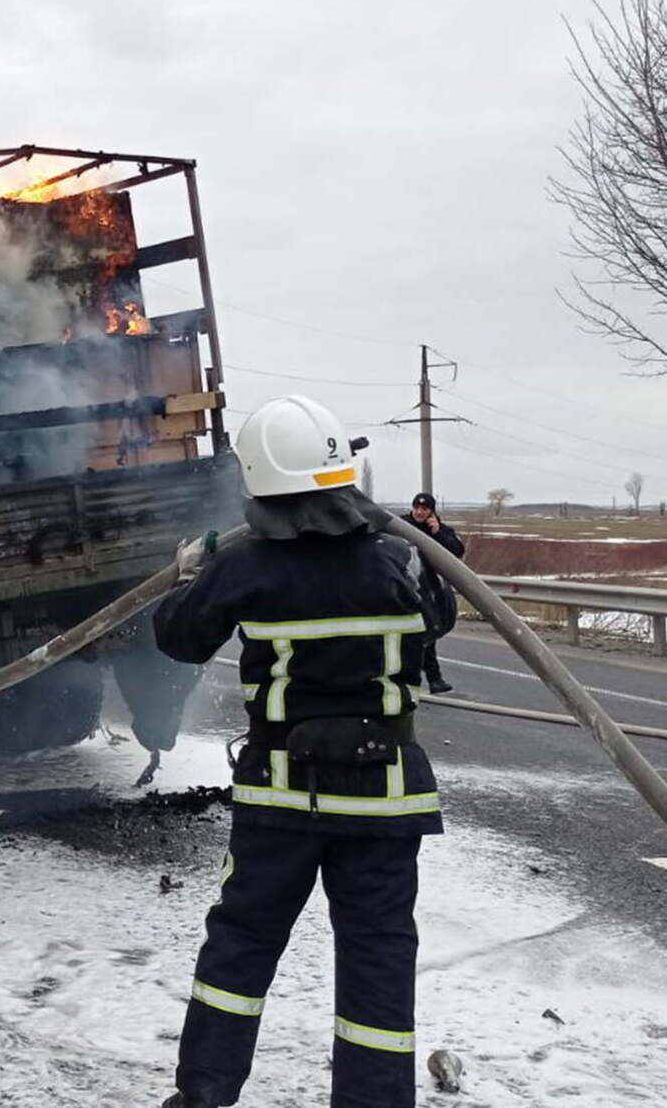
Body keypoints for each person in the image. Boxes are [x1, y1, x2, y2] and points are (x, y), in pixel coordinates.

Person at [152, 396, 443, 1108]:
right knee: (377, 959)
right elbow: (438, 621)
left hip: (280, 798)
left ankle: (204, 1096)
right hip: (386, 798)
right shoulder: (400, 555)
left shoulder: (244, 565)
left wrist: (189, 577)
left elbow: (179, 639)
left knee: (241, 947)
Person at [401, 492, 466, 694]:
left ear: (431, 511)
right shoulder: (400, 526)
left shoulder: (438, 529)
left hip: (428, 590)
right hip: (403, 587)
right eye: (417, 508)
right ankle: (429, 678)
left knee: (427, 633)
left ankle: (432, 679)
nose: (420, 512)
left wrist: (438, 533)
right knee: (414, 635)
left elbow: (456, 551)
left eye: (425, 509)